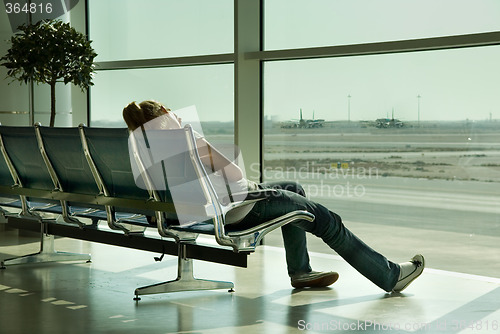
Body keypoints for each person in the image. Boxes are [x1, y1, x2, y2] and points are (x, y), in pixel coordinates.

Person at [123, 100, 425, 292]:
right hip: (239, 208)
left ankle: (301, 271)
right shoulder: (183, 138)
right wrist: (190, 133)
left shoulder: (140, 149)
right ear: (164, 112)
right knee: (326, 220)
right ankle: (390, 276)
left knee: (293, 188)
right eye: (170, 110)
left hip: (196, 212)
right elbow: (236, 177)